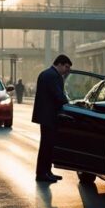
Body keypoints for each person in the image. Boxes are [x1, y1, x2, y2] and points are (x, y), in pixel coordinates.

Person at [32, 54, 72, 183]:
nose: (67, 70)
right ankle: (42, 173)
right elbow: (58, 95)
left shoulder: (47, 74)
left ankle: (46, 172)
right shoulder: (53, 76)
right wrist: (69, 103)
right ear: (59, 64)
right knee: (47, 146)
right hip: (49, 116)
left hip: (46, 116)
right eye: (66, 67)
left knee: (47, 145)